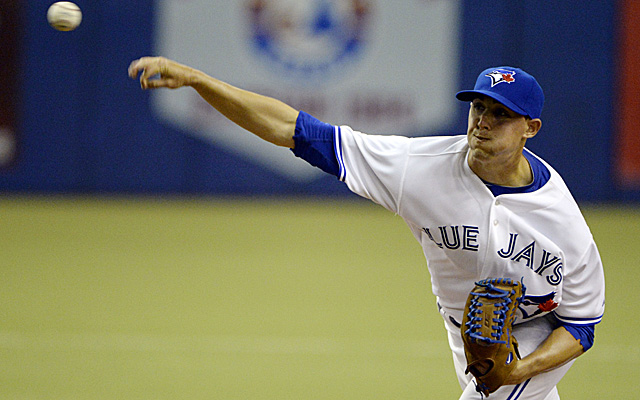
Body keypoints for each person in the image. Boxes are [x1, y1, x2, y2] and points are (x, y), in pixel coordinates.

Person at [128, 57, 605, 400]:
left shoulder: (562, 221)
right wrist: (199, 80)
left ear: (531, 128)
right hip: (466, 333)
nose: (484, 122)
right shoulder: (419, 168)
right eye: (479, 107)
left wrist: (520, 367)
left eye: (501, 114)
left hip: (533, 335)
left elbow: (582, 326)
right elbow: (295, 131)